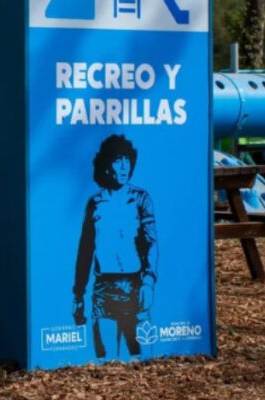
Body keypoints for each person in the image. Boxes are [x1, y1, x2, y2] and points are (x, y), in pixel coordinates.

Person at [73, 134, 158, 360]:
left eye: (127, 161)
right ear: (107, 164)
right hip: (104, 289)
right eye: (118, 160)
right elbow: (85, 251)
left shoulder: (141, 199)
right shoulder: (95, 203)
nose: (124, 167)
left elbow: (151, 243)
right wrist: (78, 295)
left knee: (143, 359)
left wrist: (148, 282)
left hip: (135, 286)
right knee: (107, 362)